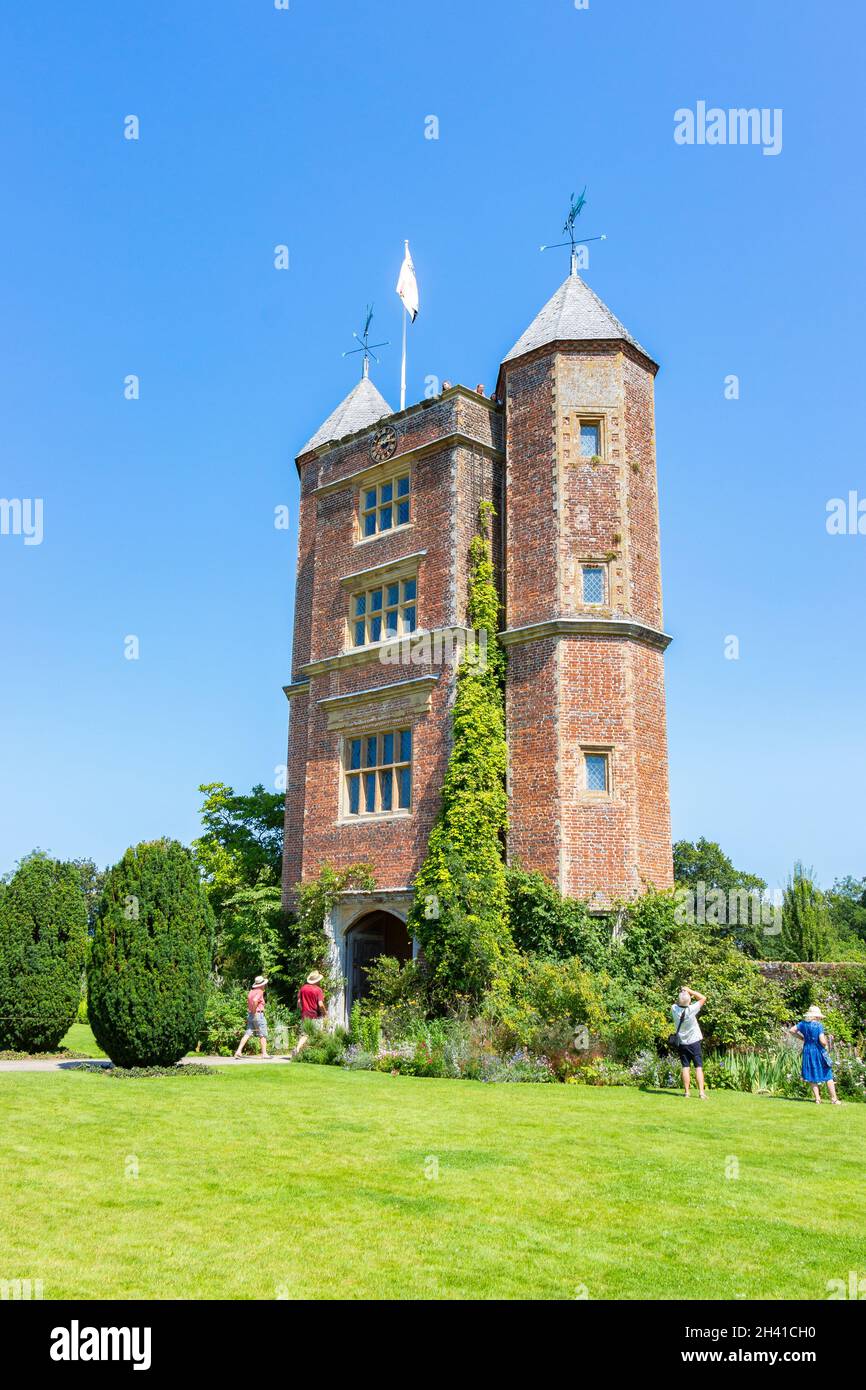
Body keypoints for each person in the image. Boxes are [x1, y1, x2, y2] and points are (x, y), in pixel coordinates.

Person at [789, 1005, 841, 1105]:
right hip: (818, 1051)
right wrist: (826, 1043)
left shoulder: (803, 1024)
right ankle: (834, 1099)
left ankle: (817, 1099)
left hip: (808, 1051)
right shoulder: (818, 1025)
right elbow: (823, 1041)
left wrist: (802, 1038)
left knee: (812, 1074)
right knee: (828, 1075)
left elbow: (791, 1030)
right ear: (817, 1016)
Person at [671, 985, 707, 1099]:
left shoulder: (674, 1009)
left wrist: (683, 994)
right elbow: (703, 998)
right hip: (694, 1042)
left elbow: (678, 1002)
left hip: (682, 1043)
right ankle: (701, 1093)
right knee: (698, 1067)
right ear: (689, 1000)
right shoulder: (692, 1009)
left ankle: (687, 1092)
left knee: (685, 1067)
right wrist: (690, 991)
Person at [289, 971, 326, 1059]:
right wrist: (325, 1013)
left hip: (305, 1015)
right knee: (318, 1035)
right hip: (316, 1016)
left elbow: (299, 1003)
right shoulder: (318, 990)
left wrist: (304, 1010)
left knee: (305, 1034)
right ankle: (317, 1054)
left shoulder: (303, 988)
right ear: (317, 980)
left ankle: (297, 1049)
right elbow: (320, 1004)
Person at [234, 975, 269, 1059]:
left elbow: (250, 1001)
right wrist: (254, 1011)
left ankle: (238, 1051)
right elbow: (255, 1000)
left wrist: (252, 1011)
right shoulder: (260, 991)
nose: (264, 985)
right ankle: (264, 1053)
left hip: (250, 1015)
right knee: (263, 1034)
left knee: (248, 1033)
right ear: (261, 984)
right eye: (264, 984)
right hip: (258, 1014)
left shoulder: (251, 991)